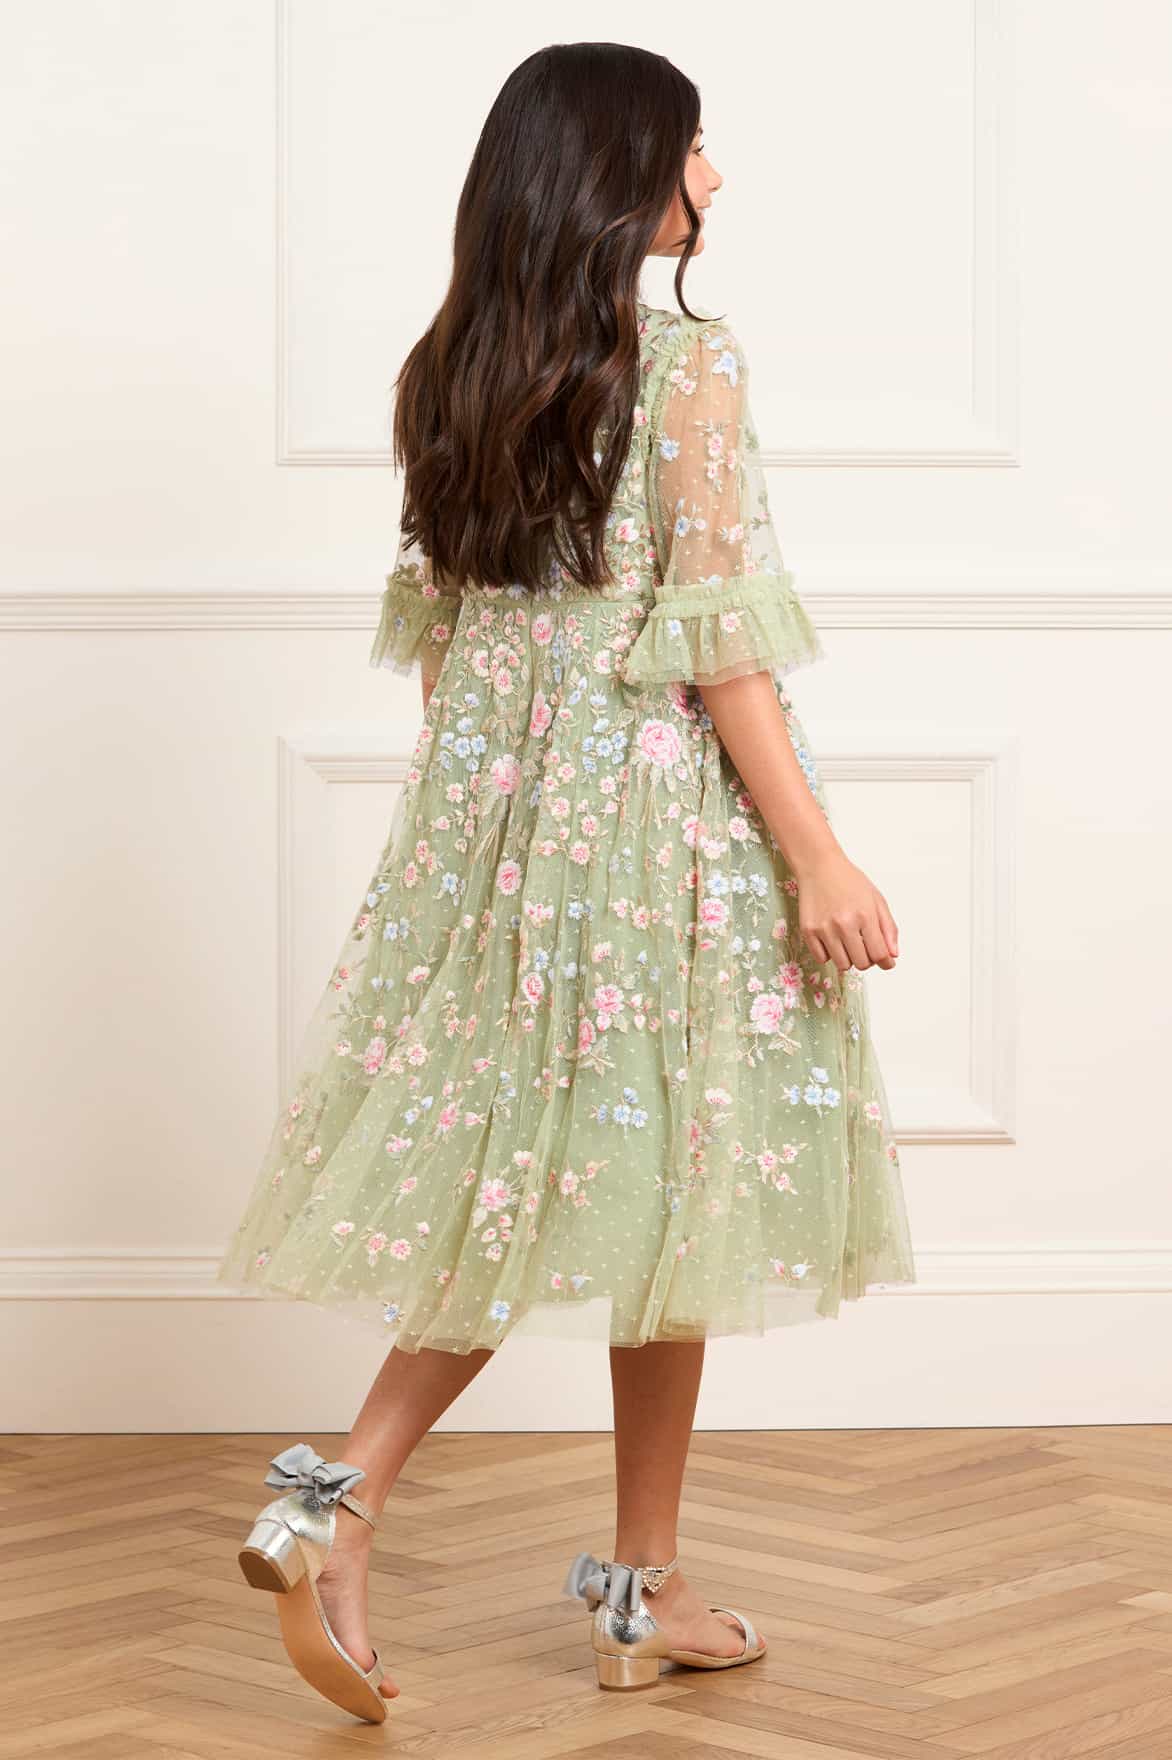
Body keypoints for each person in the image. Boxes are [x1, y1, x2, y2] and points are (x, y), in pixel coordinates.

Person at [216, 41, 916, 1723]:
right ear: (618, 171)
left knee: (615, 1189)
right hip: (666, 830)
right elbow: (718, 639)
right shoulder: (687, 364)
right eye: (691, 148)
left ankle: (634, 1586)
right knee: (629, 1178)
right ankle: (348, 1503)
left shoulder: (449, 369)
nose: (713, 179)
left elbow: (449, 644)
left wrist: (490, 848)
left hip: (503, 829)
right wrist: (817, 854)